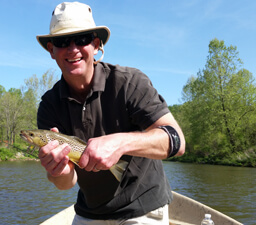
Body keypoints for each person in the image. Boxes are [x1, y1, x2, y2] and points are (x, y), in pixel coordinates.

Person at [36, 2, 185, 224]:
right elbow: (67, 182)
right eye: (62, 41)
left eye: (83, 39)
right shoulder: (49, 105)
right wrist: (57, 170)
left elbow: (177, 141)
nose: (73, 48)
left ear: (96, 45)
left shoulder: (130, 82)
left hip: (142, 208)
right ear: (52, 50)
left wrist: (120, 143)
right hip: (89, 211)